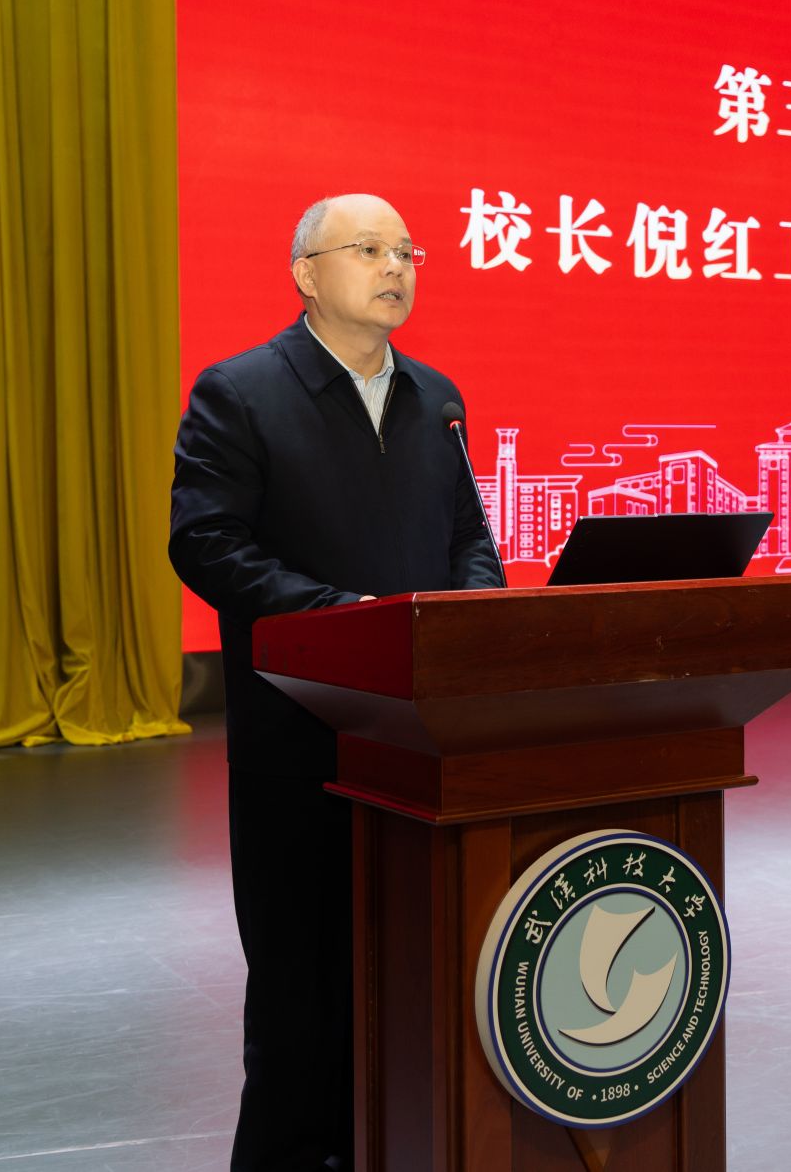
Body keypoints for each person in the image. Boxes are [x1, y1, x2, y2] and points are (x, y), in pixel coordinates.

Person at [168, 193, 504, 1171]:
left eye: (407, 251)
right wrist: (339, 618)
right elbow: (207, 543)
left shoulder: (436, 397)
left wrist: (472, 614)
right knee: (300, 997)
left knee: (412, 982)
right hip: (299, 739)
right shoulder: (241, 392)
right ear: (306, 274)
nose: (395, 266)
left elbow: (468, 536)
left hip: (420, 740)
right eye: (368, 249)